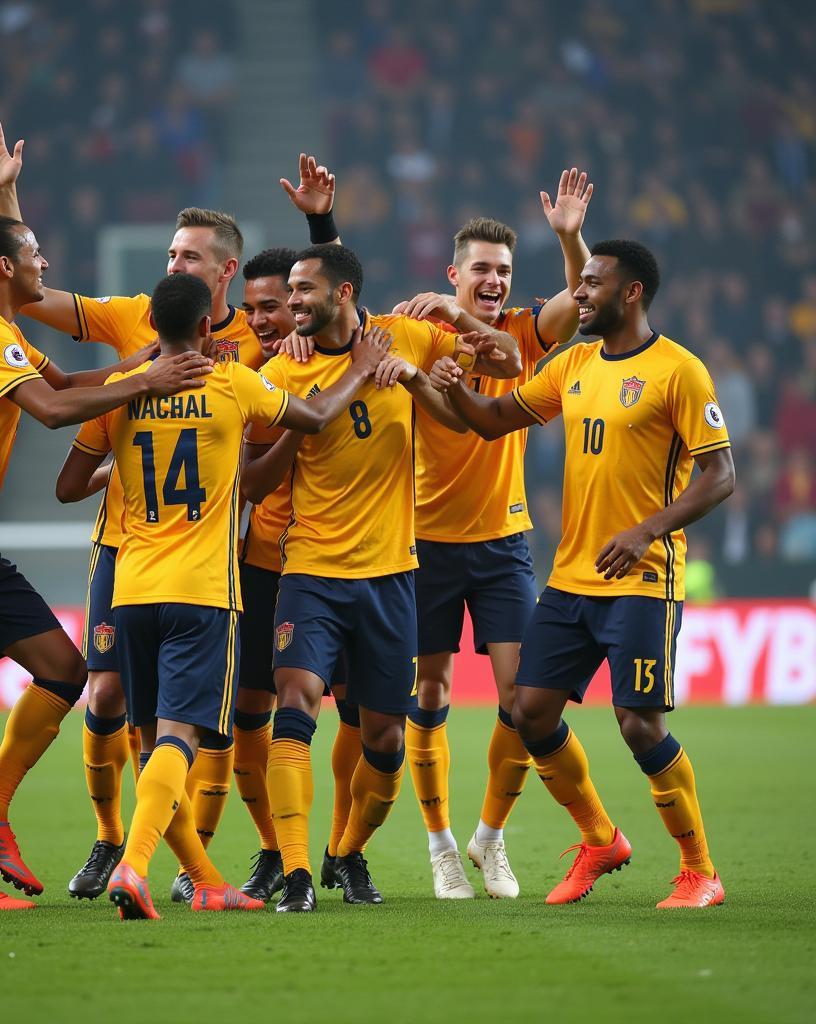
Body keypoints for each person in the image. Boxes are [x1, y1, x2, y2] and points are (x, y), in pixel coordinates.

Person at [0, 210, 212, 912]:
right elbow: (54, 412)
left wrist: (146, 364)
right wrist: (148, 385)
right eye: (33, 253)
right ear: (5, 268)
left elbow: (76, 379)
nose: (44, 263)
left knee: (64, 669)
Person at [0, 118, 256, 901]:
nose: (173, 264)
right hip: (123, 548)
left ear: (225, 270)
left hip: (208, 555)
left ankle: (183, 861)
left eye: (188, 255)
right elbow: (27, 292)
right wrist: (4, 194)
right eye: (170, 254)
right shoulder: (137, 316)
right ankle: (110, 843)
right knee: (108, 698)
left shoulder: (259, 344)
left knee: (202, 724)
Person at [55, 272, 394, 919]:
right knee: (182, 742)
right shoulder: (232, 382)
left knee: (154, 745)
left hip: (131, 587)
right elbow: (317, 417)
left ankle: (204, 877)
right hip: (204, 593)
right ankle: (134, 864)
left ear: (152, 328)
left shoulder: (119, 393)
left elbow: (69, 487)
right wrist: (362, 368)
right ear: (209, 329)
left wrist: (124, 461)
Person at [429, 239, 733, 909]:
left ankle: (699, 871)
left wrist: (649, 527)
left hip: (642, 577)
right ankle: (599, 839)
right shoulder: (573, 363)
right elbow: (494, 420)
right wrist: (439, 388)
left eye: (594, 284)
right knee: (529, 713)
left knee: (639, 724)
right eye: (582, 282)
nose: (581, 293)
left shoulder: (679, 371)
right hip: (571, 578)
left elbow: (722, 474)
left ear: (631, 293)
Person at [246, 243, 515, 912]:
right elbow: (256, 479)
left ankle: (346, 853)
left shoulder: (408, 338)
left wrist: (422, 371)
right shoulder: (280, 369)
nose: (293, 301)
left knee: (387, 742)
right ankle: (300, 874)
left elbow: (490, 383)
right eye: (290, 291)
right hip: (309, 570)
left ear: (343, 295)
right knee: (297, 702)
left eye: (304, 289)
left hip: (393, 575)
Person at [392, 169, 593, 899]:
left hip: (504, 542)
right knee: (431, 687)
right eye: (481, 269)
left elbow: (586, 299)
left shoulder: (520, 333)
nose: (495, 280)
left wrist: (570, 236)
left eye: (504, 270)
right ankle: (442, 844)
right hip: (422, 542)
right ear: (454, 273)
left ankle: (490, 837)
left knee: (521, 699)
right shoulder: (416, 331)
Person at [235, 244, 363, 901]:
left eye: (273, 306)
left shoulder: (342, 350)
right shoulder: (257, 370)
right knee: (252, 715)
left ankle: (344, 849)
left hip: (340, 565)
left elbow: (347, 287)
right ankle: (275, 851)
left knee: (362, 719)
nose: (259, 320)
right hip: (263, 564)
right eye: (251, 309)